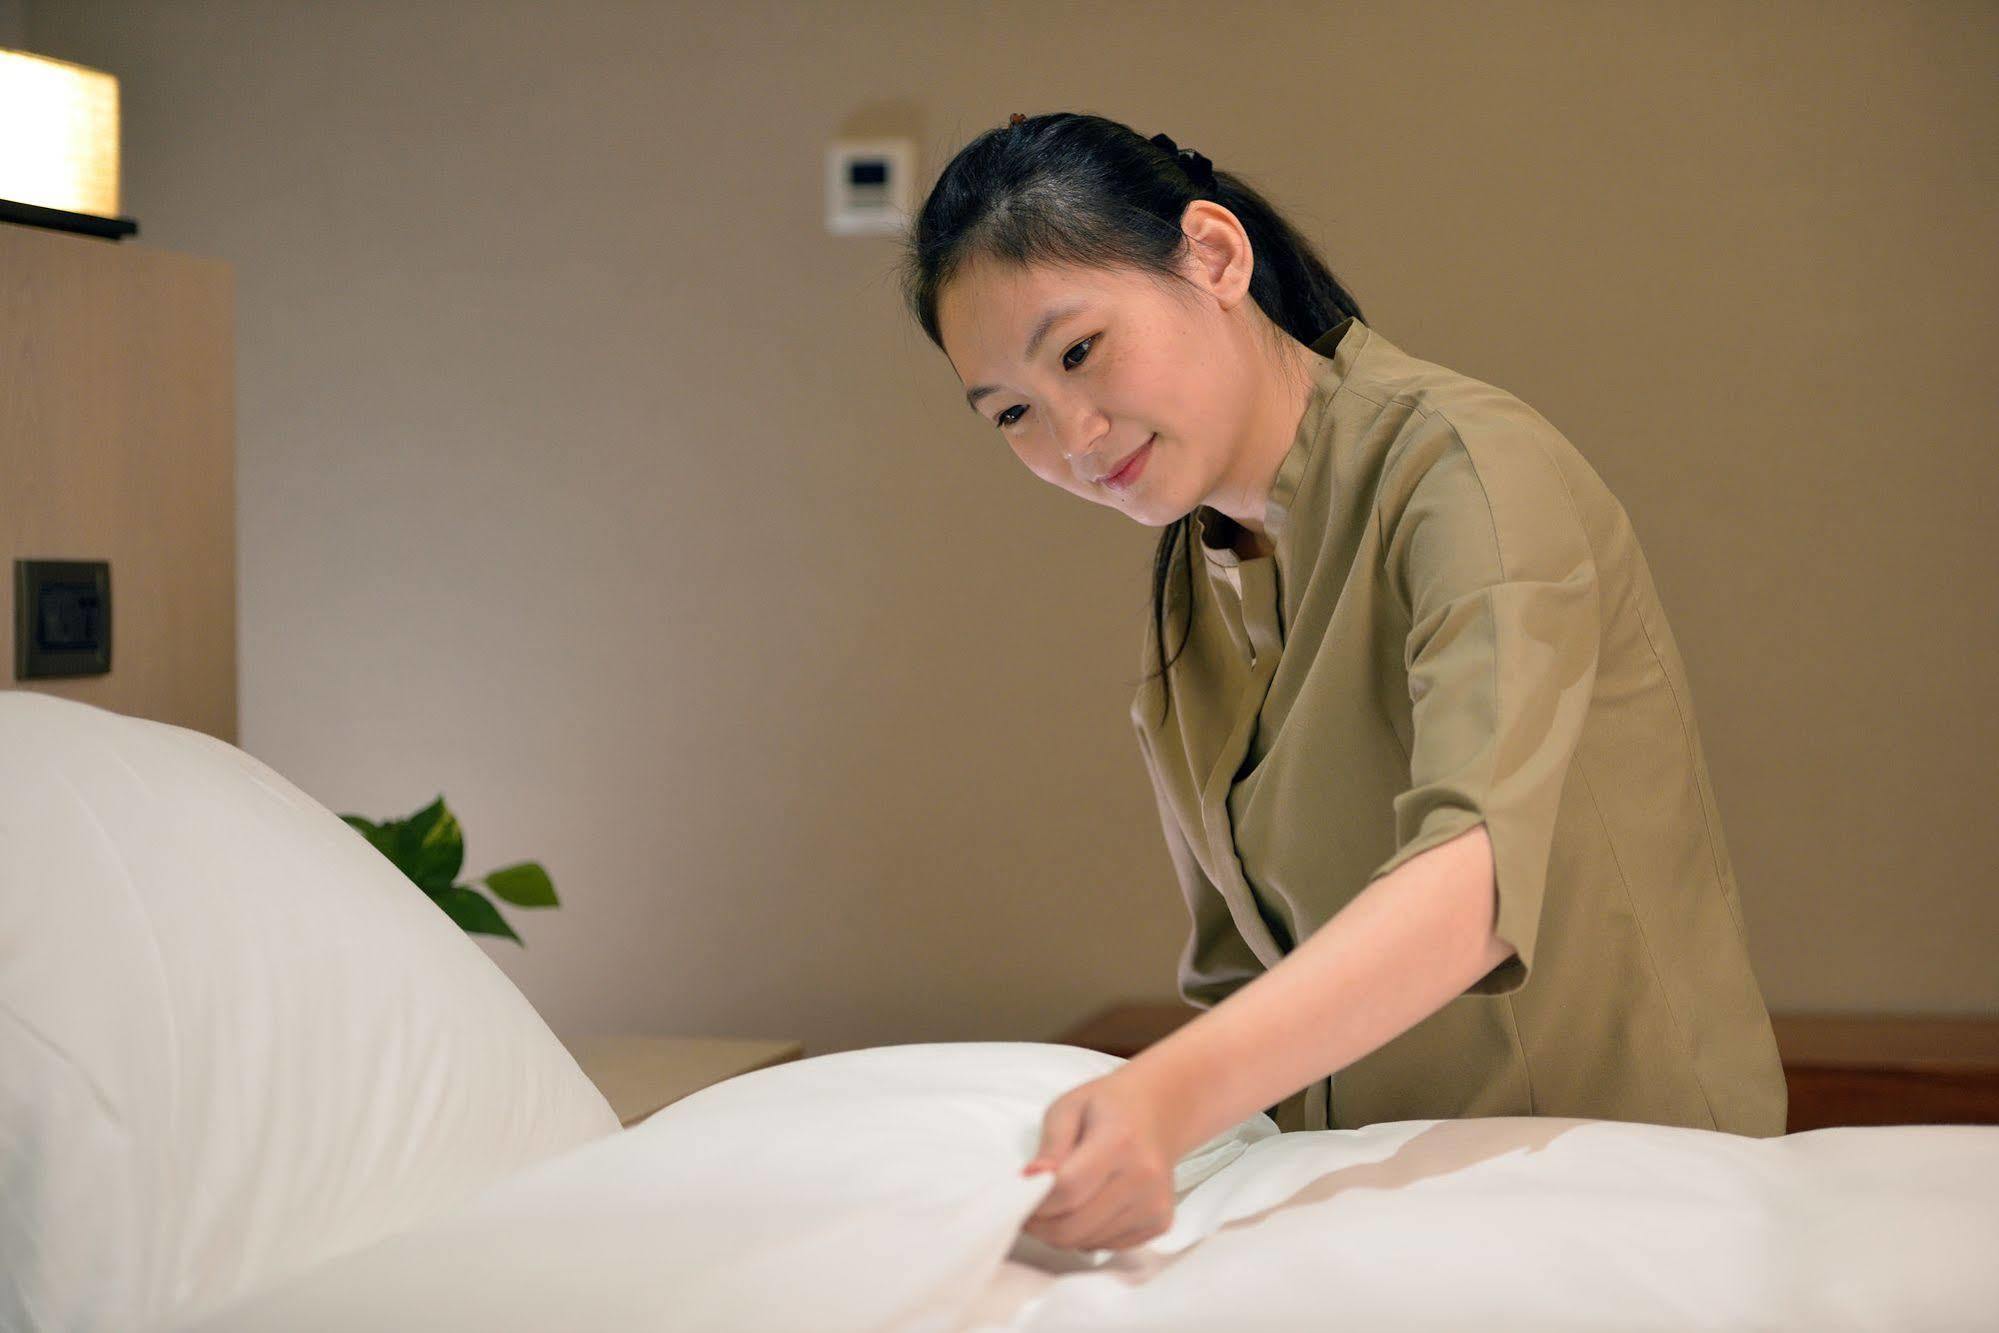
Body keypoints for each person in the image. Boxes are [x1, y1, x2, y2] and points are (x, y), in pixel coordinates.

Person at [898, 111, 1788, 1255]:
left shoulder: (1462, 470)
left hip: (1611, 1193)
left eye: (1079, 351)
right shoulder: (1193, 596)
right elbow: (1233, 968)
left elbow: (1472, 882)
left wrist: (1165, 1102)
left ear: (1213, 255)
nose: (1070, 433)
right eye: (1012, 412)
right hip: (1376, 1215)